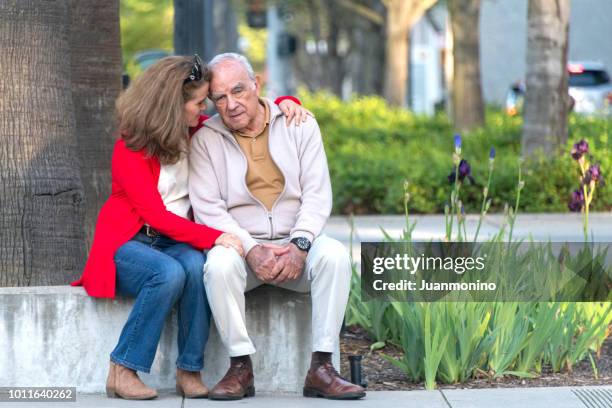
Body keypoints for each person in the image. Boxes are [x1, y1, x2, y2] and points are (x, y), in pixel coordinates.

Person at [70, 55, 309, 400]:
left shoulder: (195, 132)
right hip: (129, 243)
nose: (205, 110)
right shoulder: (130, 148)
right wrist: (218, 236)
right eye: (199, 103)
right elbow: (156, 217)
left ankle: (189, 369)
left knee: (198, 267)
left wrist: (288, 104)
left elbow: (250, 114)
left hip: (176, 241)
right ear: (172, 105)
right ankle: (122, 368)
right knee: (167, 274)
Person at [188, 53, 366, 401]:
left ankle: (322, 367)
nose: (232, 104)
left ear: (256, 85)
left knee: (334, 256)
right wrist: (250, 248)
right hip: (244, 248)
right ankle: (241, 366)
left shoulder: (299, 124)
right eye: (220, 98)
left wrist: (300, 246)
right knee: (218, 265)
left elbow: (317, 194)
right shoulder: (206, 139)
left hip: (295, 241)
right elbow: (208, 208)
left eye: (238, 90)